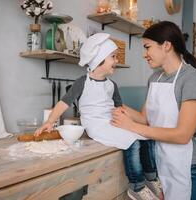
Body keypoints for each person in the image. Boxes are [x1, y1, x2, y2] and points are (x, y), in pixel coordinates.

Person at [35, 33, 161, 199]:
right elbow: (63, 103)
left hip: (112, 121)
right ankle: (136, 186)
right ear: (99, 59)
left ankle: (152, 178)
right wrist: (50, 121)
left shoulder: (112, 85)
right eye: (113, 57)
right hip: (95, 125)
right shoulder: (82, 82)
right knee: (133, 142)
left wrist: (131, 123)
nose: (117, 61)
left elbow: (119, 108)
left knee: (147, 137)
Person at [111, 21, 196, 200]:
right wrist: (112, 104)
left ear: (166, 45)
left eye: (147, 47)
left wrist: (131, 126)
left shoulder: (193, 79)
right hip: (158, 164)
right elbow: (145, 118)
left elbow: (183, 135)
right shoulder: (154, 78)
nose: (144, 54)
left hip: (184, 167)